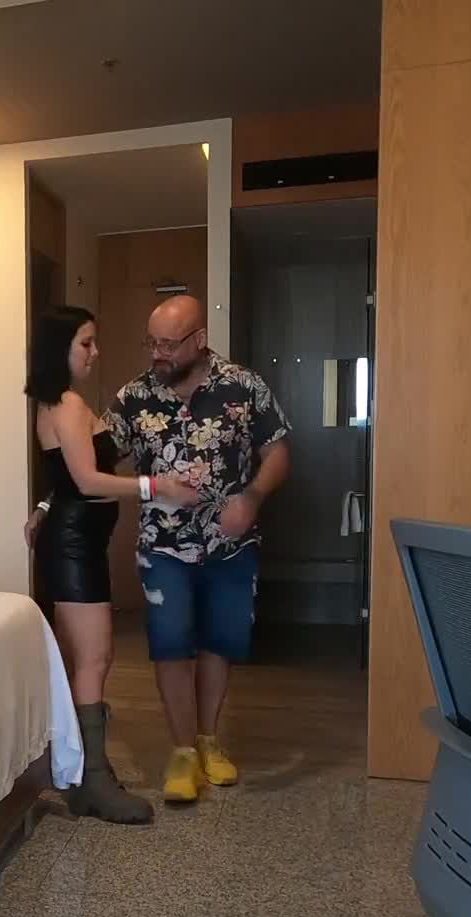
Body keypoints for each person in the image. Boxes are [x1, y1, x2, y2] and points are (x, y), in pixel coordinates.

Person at [106, 294, 289, 803]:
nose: (157, 354)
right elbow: (89, 459)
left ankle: (209, 740)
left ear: (199, 339)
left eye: (168, 344)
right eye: (152, 343)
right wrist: (47, 503)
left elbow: (277, 452)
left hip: (230, 543)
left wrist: (252, 497)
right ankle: (182, 751)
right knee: (170, 642)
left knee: (218, 641)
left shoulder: (243, 386)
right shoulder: (134, 396)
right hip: (163, 546)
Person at [24, 306, 198, 825]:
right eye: (86, 343)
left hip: (78, 540)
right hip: (74, 545)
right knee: (93, 659)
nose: (95, 353)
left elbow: (65, 478)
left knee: (89, 658)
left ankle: (82, 776)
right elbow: (86, 481)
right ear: (61, 348)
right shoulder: (67, 404)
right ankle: (92, 782)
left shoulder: (62, 403)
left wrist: (44, 505)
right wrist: (157, 487)